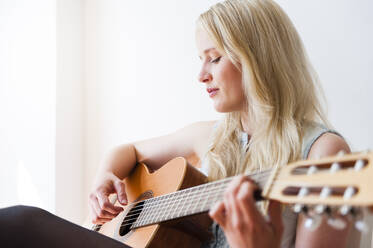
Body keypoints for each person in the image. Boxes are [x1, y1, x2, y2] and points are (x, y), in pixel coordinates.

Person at [0, 0, 358, 247]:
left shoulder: (323, 153)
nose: (201, 76)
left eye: (214, 59)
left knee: (22, 224)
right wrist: (103, 178)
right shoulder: (212, 137)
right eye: (200, 60)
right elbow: (126, 151)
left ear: (259, 60)